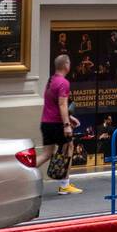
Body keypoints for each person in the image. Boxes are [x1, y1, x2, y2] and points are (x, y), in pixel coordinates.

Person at [38, 53, 83, 195]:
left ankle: (21, 177)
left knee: (46, 154)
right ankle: (64, 185)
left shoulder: (50, 81)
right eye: (69, 63)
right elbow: (63, 104)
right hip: (57, 124)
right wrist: (67, 125)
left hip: (46, 122)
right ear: (66, 66)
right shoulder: (64, 83)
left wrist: (70, 118)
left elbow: (53, 105)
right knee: (69, 147)